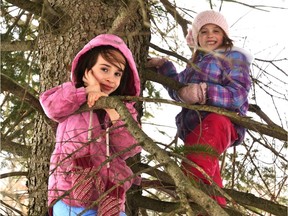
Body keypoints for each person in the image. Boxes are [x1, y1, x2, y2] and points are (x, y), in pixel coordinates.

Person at [146, 10, 253, 206]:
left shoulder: (232, 58)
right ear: (196, 37)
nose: (210, 35)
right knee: (207, 176)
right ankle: (215, 208)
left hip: (220, 121)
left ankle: (187, 193)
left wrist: (205, 93)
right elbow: (177, 87)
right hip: (195, 127)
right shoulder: (194, 66)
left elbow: (238, 93)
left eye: (216, 31)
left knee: (196, 165)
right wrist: (163, 66)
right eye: (203, 31)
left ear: (224, 36)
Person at [40, 34, 142, 216]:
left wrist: (113, 111)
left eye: (117, 73)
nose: (111, 78)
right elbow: (51, 106)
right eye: (105, 69)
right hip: (69, 193)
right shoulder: (72, 95)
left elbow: (130, 147)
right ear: (87, 69)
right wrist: (86, 91)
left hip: (108, 199)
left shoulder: (124, 109)